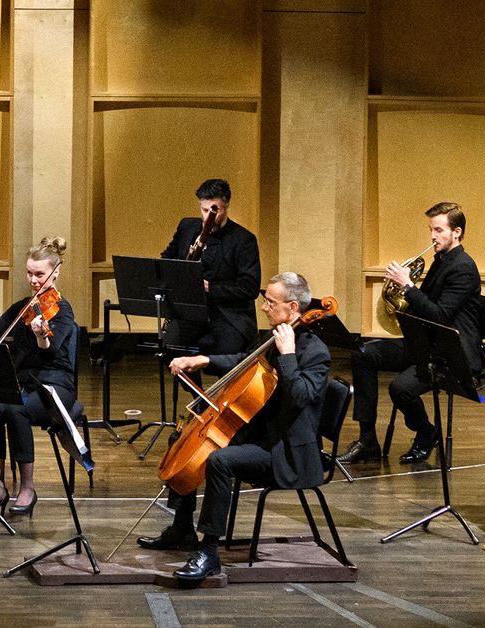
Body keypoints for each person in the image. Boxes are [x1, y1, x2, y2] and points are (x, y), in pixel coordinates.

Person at [138, 272, 330, 584]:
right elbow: (243, 360)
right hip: (258, 436)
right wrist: (202, 360)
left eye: (270, 302)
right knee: (184, 436)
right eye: (264, 300)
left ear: (293, 307)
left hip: (284, 453)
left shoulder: (314, 352)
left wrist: (289, 356)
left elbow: (300, 397)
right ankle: (182, 528)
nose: (264, 307)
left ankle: (209, 552)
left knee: (219, 460)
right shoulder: (272, 339)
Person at [338, 202, 483, 464]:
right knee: (364, 354)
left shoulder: (463, 267)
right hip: (426, 344)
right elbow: (424, 307)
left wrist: (408, 286)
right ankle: (367, 440)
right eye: (431, 230)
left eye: (439, 230)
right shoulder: (440, 261)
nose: (432, 236)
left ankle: (427, 432)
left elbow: (440, 316)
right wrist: (404, 290)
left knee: (400, 388)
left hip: (452, 354)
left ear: (457, 232)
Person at [0, 237, 75, 518]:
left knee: (16, 409)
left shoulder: (62, 310)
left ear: (55, 273)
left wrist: (41, 334)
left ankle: (28, 488)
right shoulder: (24, 306)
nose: (33, 279)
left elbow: (50, 350)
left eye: (39, 274)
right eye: (29, 273)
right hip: (25, 382)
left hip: (55, 384)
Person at [160, 179, 261, 358]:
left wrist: (209, 288)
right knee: (170, 348)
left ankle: (221, 387)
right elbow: (167, 258)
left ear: (227, 205)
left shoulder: (243, 240)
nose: (208, 217)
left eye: (215, 210)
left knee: (226, 355)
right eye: (204, 210)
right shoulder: (187, 227)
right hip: (192, 311)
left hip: (227, 315)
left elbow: (249, 288)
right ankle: (196, 388)